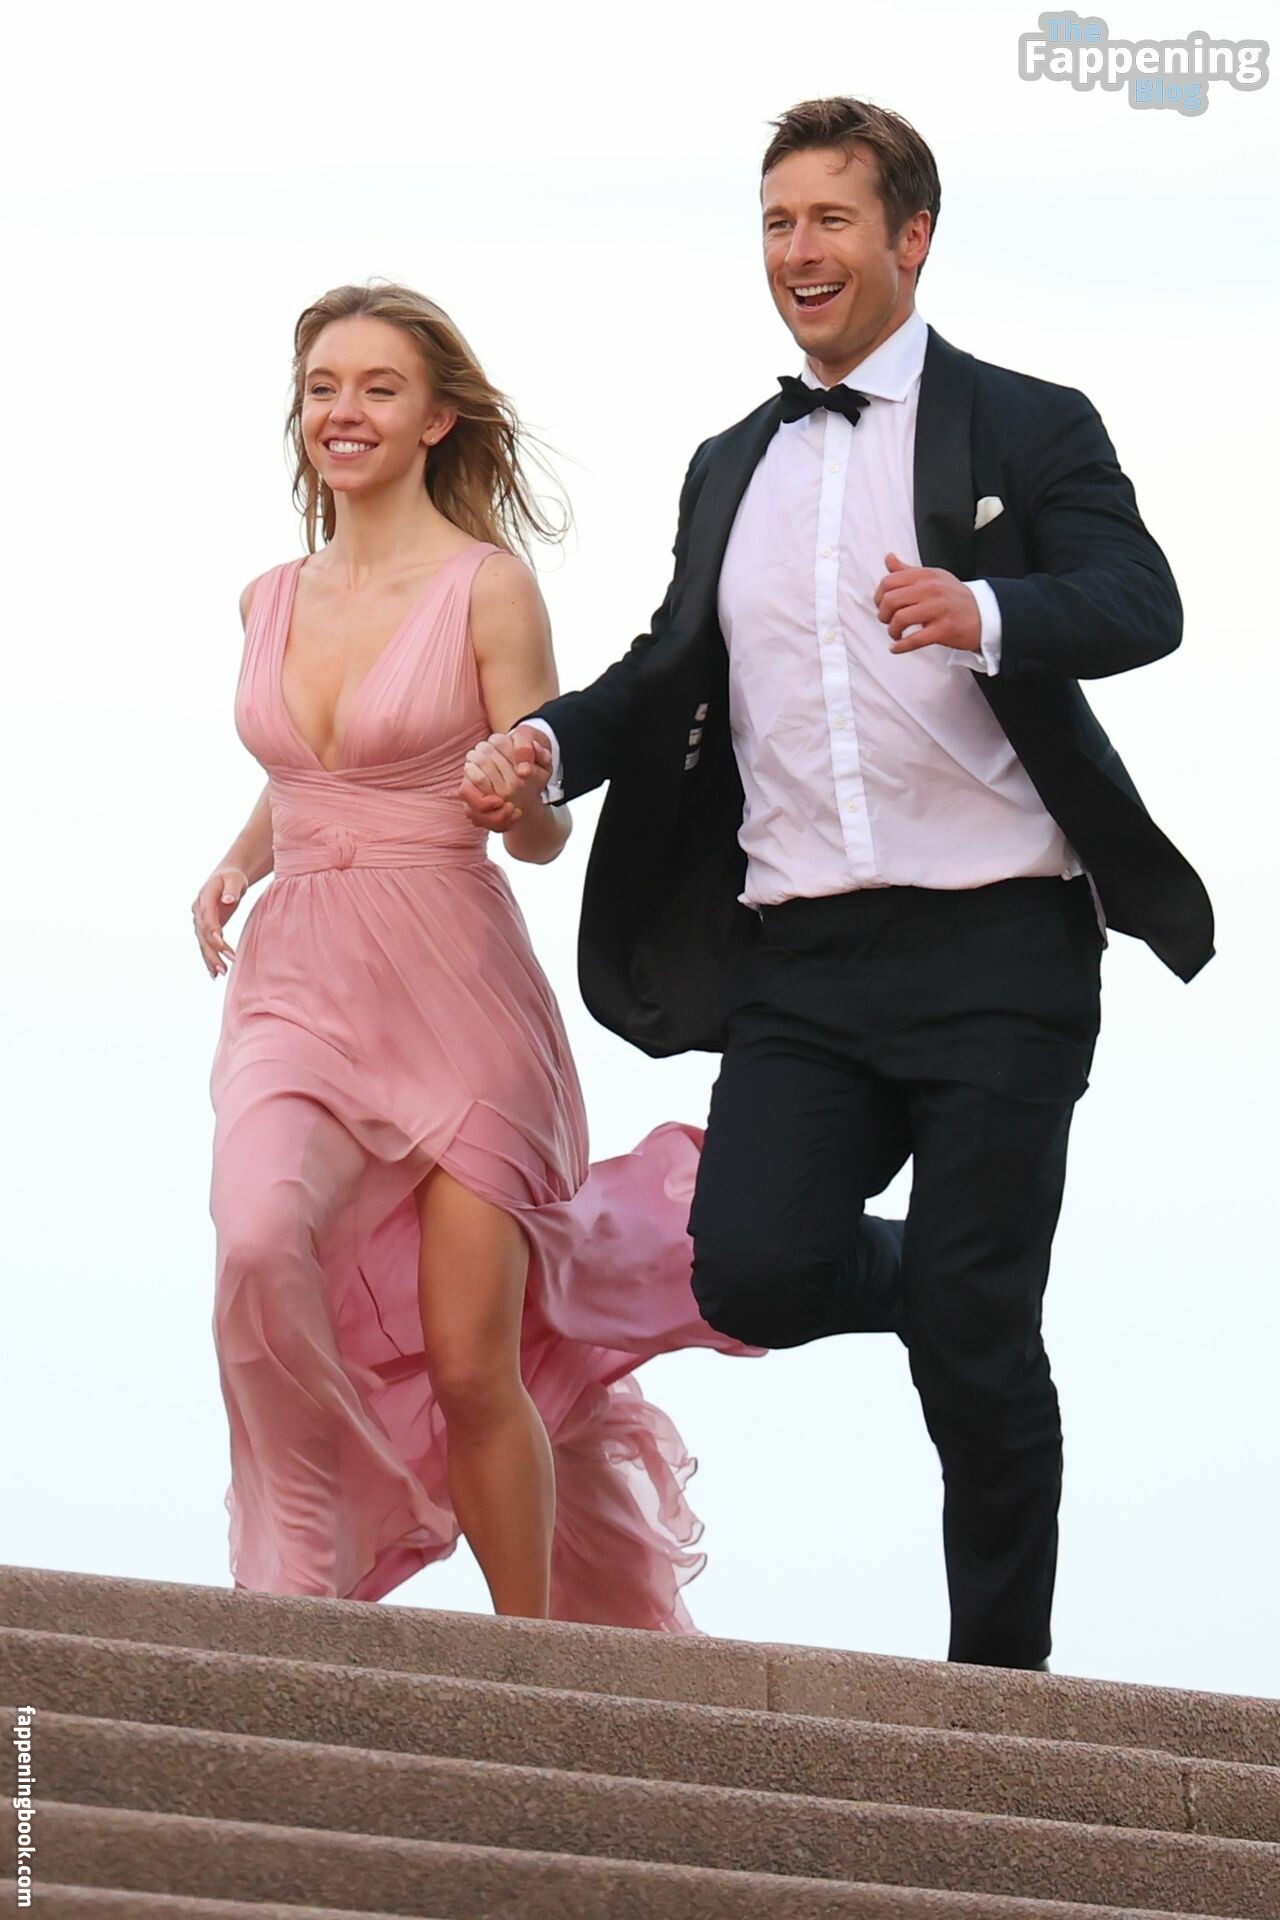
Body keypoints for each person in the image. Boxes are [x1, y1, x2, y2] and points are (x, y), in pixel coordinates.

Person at [462, 98, 1214, 1671]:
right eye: (777, 223)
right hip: (801, 955)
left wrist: (984, 610)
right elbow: (667, 666)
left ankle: (1001, 1689)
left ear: (911, 238)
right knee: (753, 1270)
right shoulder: (731, 465)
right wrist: (547, 744)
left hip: (1002, 941)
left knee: (975, 1356)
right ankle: (951, 1284)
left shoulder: (1026, 423)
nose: (798, 252)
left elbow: (1140, 601)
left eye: (830, 220)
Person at [192, 281, 751, 1626]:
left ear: (437, 418)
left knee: (470, 1361)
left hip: (454, 996)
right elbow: (310, 768)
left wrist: (522, 802)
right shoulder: (268, 596)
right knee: (258, 1241)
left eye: (378, 388)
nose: (344, 412)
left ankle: (532, 1664)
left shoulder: (488, 590)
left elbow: (543, 828)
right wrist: (239, 860)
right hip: (297, 987)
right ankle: (298, 1600)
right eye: (324, 387)